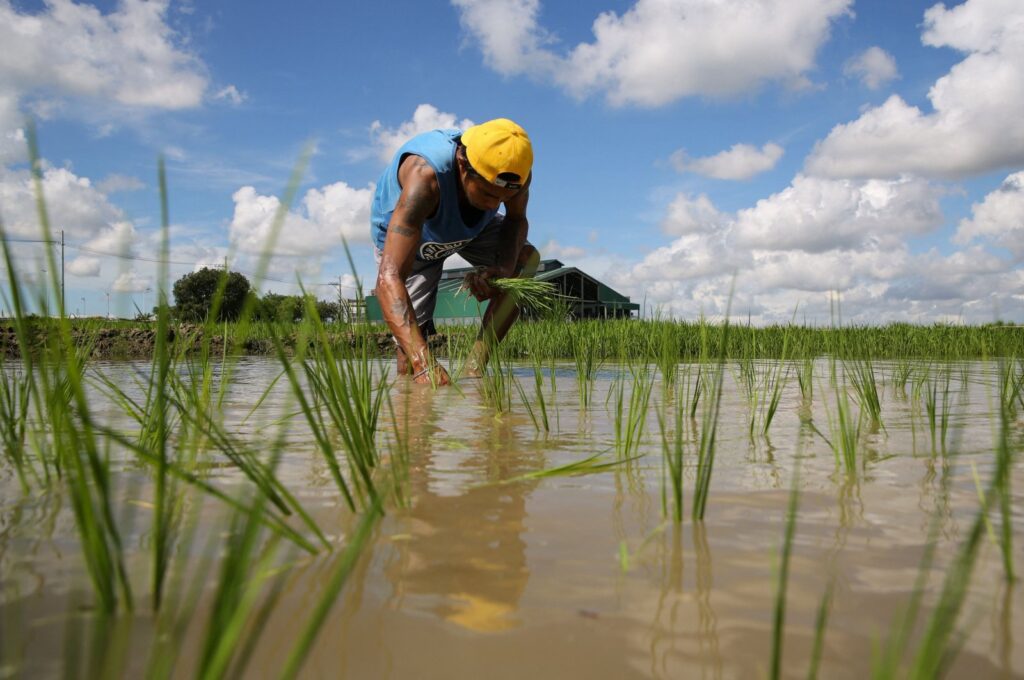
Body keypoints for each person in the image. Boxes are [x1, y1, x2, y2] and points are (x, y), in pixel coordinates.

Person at [371, 118, 540, 385]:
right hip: (418, 233)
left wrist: (503, 271)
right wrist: (423, 363)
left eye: (503, 199)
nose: (494, 205)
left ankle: (475, 370)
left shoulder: (515, 176)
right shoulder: (425, 177)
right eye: (487, 193)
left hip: (471, 227)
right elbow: (389, 280)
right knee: (409, 356)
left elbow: (515, 220)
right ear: (463, 166)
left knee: (526, 260)